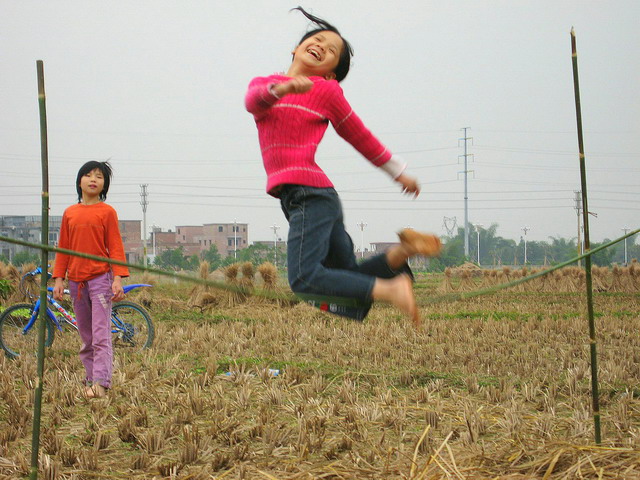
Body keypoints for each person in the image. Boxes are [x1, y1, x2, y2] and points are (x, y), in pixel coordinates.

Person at [245, 7, 441, 326]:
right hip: (313, 197)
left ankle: (392, 290)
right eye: (318, 39)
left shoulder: (326, 91)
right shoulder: (265, 84)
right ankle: (402, 253)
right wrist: (283, 88)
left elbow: (358, 134)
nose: (322, 45)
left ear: (331, 73)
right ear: (296, 48)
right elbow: (254, 101)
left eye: (331, 50)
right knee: (345, 276)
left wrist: (397, 171)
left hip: (309, 196)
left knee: (305, 279)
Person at [53, 161, 129, 398]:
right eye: (88, 175)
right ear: (79, 181)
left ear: (104, 184)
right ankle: (90, 379)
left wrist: (117, 277)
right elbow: (64, 248)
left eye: (99, 176)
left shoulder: (107, 212)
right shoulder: (70, 213)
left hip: (100, 280)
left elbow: (115, 246)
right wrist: (58, 279)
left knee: (100, 334)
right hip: (76, 283)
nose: (93, 179)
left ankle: (101, 383)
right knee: (86, 336)